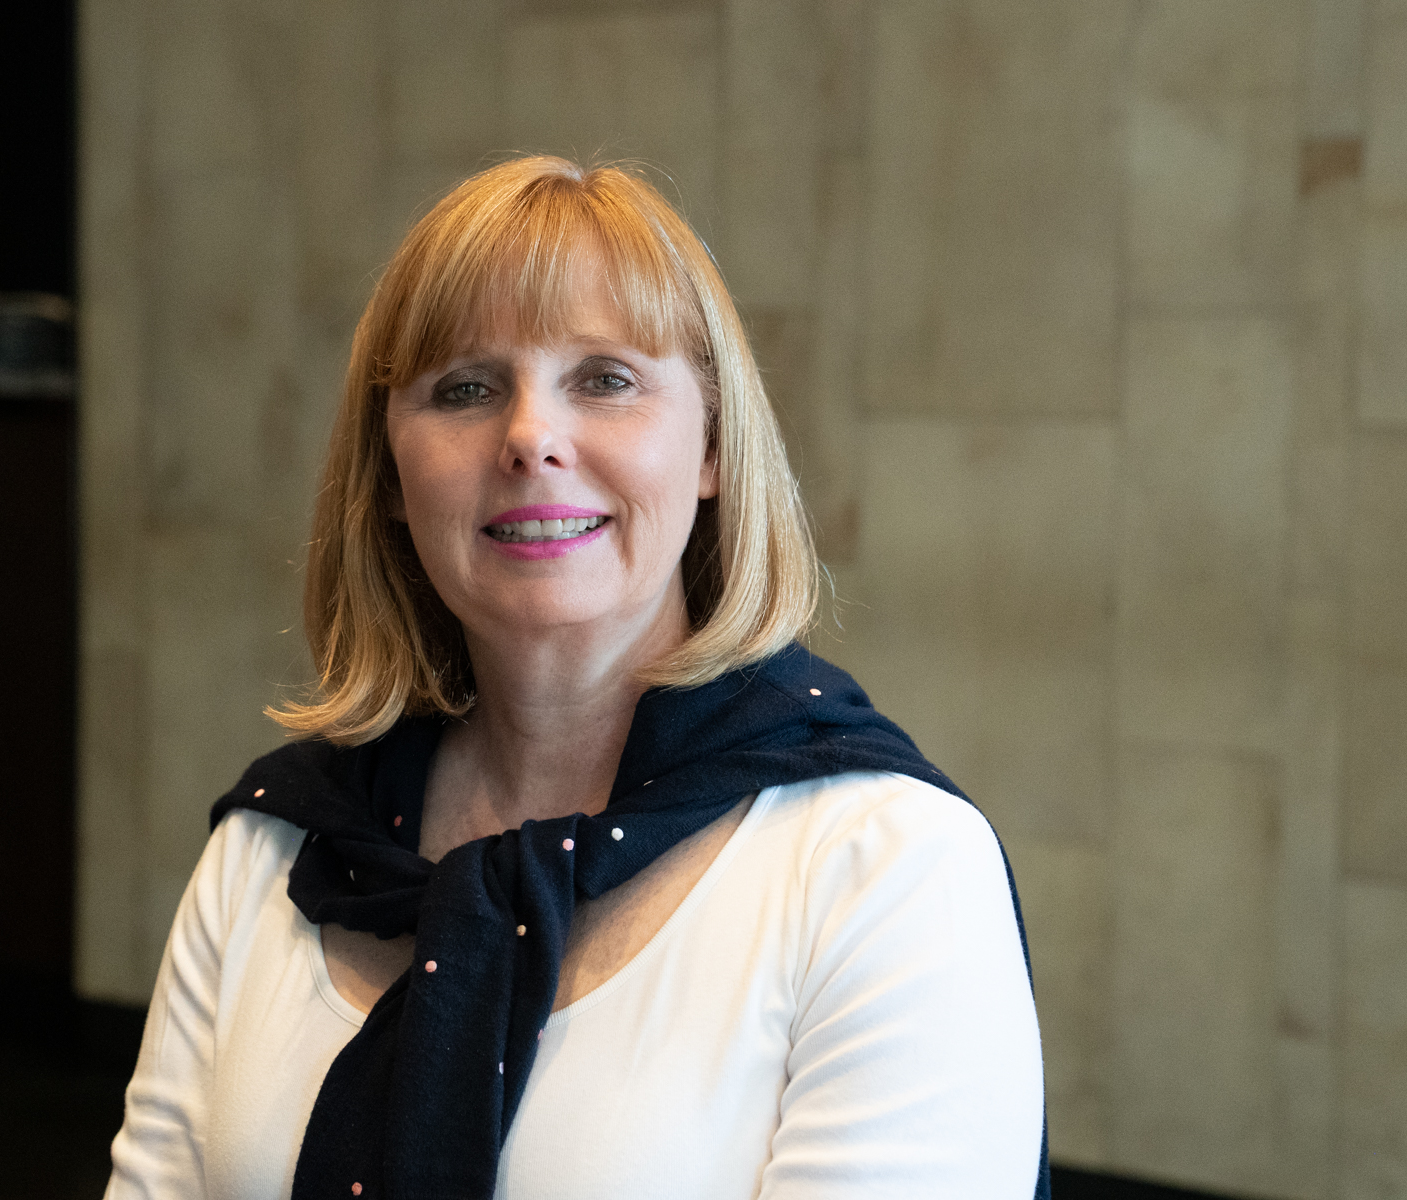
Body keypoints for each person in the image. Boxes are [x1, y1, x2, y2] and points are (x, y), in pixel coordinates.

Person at [104, 156, 1047, 1200]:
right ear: (390, 476)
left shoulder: (885, 868)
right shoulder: (275, 846)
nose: (528, 438)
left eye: (604, 379)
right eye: (464, 388)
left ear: (712, 449)